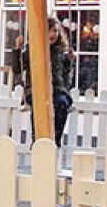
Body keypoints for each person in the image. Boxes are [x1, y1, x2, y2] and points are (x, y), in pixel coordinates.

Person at [20, 17, 77, 146]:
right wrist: (17, 50)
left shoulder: (60, 52)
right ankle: (37, 139)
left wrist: (69, 62)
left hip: (57, 90)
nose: (53, 34)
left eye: (55, 31)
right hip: (35, 89)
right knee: (39, 106)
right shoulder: (32, 49)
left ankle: (56, 139)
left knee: (62, 104)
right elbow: (18, 67)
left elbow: (65, 75)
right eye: (49, 31)